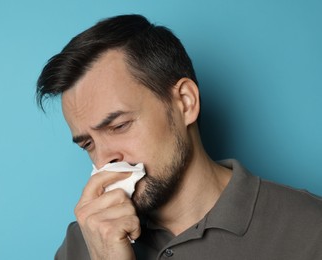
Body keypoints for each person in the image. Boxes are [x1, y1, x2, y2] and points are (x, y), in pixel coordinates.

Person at [36, 14, 322, 260]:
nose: (104, 158)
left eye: (120, 125)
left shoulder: (309, 230)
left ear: (185, 102)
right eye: (88, 143)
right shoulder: (88, 237)